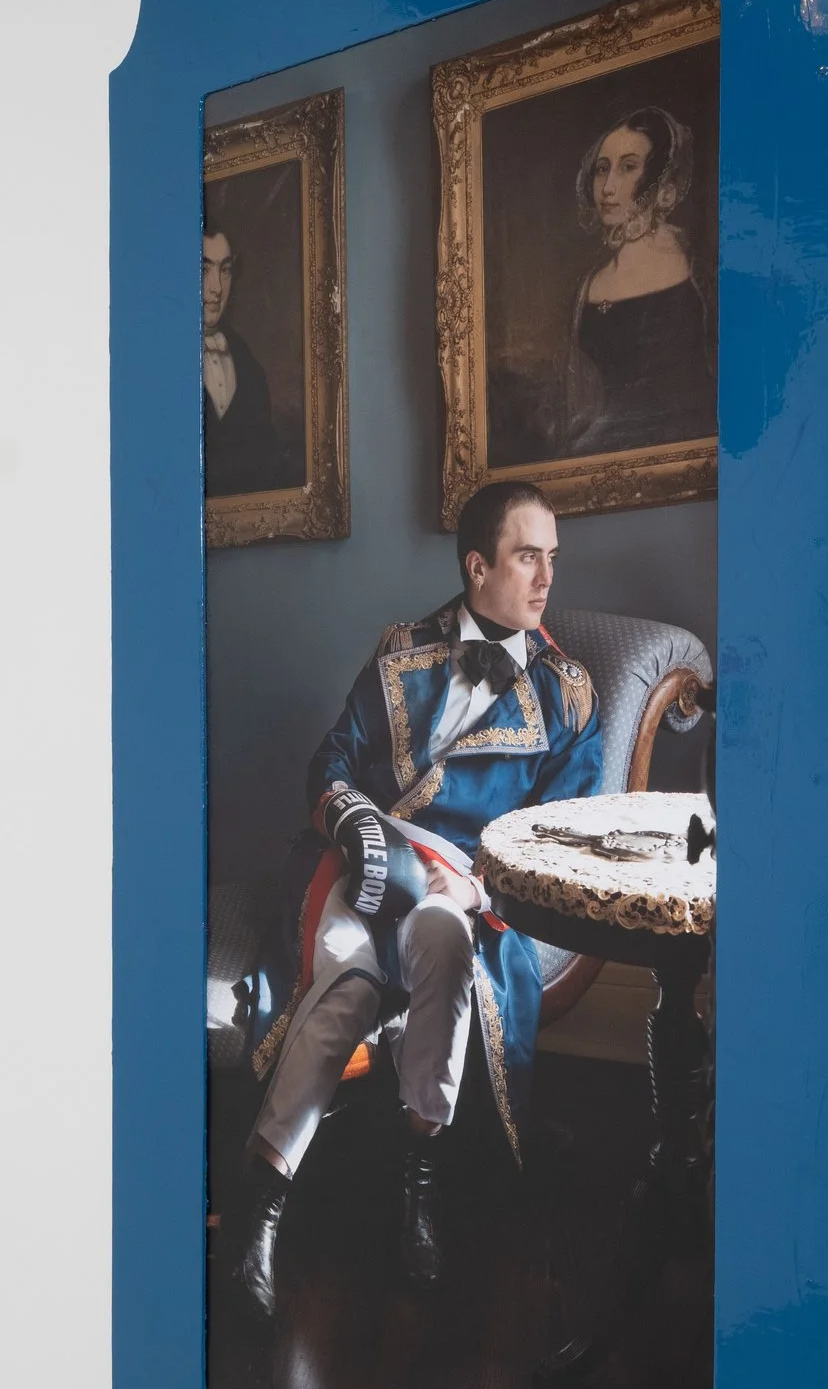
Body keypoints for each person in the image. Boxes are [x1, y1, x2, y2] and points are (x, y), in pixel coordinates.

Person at [227, 478, 602, 1311]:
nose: (546, 578)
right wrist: (359, 823)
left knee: (442, 937)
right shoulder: (401, 650)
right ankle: (264, 1206)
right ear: (478, 566)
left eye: (552, 557)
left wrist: (469, 882)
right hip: (360, 870)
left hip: (467, 893)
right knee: (345, 984)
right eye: (526, 556)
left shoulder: (569, 695)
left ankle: (419, 1180)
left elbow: (558, 832)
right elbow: (331, 762)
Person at [559, 109, 715, 456]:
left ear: (664, 189)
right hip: (605, 454)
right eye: (602, 169)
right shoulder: (589, 285)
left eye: (628, 167)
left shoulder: (701, 268)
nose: (608, 187)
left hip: (690, 446)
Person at [201, 224, 293, 498]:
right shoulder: (155, 363)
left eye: (225, 270)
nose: (216, 287)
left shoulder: (250, 368)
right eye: (203, 270)